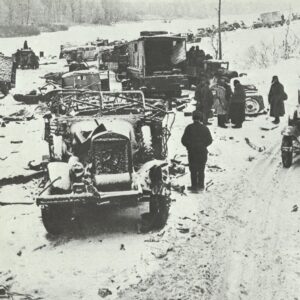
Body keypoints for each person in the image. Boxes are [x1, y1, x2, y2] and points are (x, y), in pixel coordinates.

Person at [181, 110, 213, 192]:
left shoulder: (189, 128)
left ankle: (194, 186)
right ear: (201, 118)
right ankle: (201, 185)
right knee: (201, 169)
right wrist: (203, 145)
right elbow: (209, 140)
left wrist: (189, 146)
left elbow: (183, 140)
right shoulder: (205, 128)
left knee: (193, 169)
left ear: (193, 118)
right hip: (202, 152)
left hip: (192, 152)